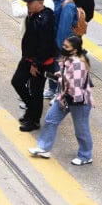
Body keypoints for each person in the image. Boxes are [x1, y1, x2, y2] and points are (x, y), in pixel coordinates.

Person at [28, 36, 93, 166]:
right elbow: (66, 77)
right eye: (63, 45)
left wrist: (64, 97)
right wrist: (58, 76)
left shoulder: (78, 64)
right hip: (65, 97)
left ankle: (85, 155)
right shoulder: (68, 59)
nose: (63, 48)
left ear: (75, 50)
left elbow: (76, 89)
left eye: (66, 47)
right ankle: (44, 148)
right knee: (50, 119)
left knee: (81, 129)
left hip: (78, 102)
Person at [11, 0, 58, 132]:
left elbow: (44, 45)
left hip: (40, 63)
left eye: (30, 2)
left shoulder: (45, 19)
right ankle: (31, 111)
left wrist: (35, 64)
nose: (28, 4)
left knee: (36, 91)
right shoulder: (33, 14)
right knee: (17, 81)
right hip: (28, 58)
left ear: (40, 2)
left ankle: (34, 120)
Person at [44, 0, 79, 99]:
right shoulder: (54, 0)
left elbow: (64, 29)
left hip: (61, 42)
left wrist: (60, 47)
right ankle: (52, 89)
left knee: (60, 68)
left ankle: (60, 93)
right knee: (53, 67)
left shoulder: (67, 4)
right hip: (53, 40)